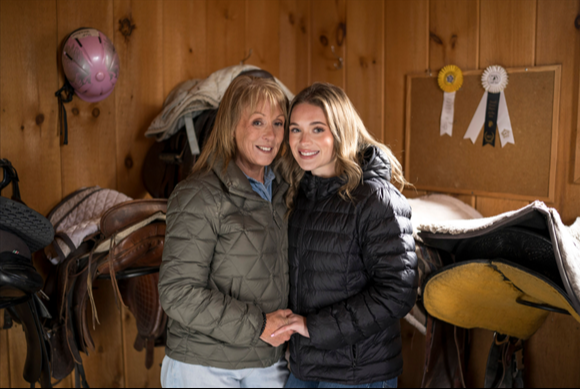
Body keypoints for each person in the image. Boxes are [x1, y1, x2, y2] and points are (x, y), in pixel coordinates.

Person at [274, 83, 418, 389]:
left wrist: (314, 326)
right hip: (306, 364)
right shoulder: (300, 196)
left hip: (359, 372)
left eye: (317, 129)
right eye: (295, 129)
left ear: (341, 131)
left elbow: (397, 292)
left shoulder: (375, 199)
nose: (303, 141)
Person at [159, 76, 292, 388]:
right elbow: (177, 292)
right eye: (257, 121)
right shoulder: (199, 194)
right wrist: (258, 324)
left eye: (278, 123)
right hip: (203, 366)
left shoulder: (282, 192)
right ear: (232, 125)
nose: (270, 135)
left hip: (266, 360)